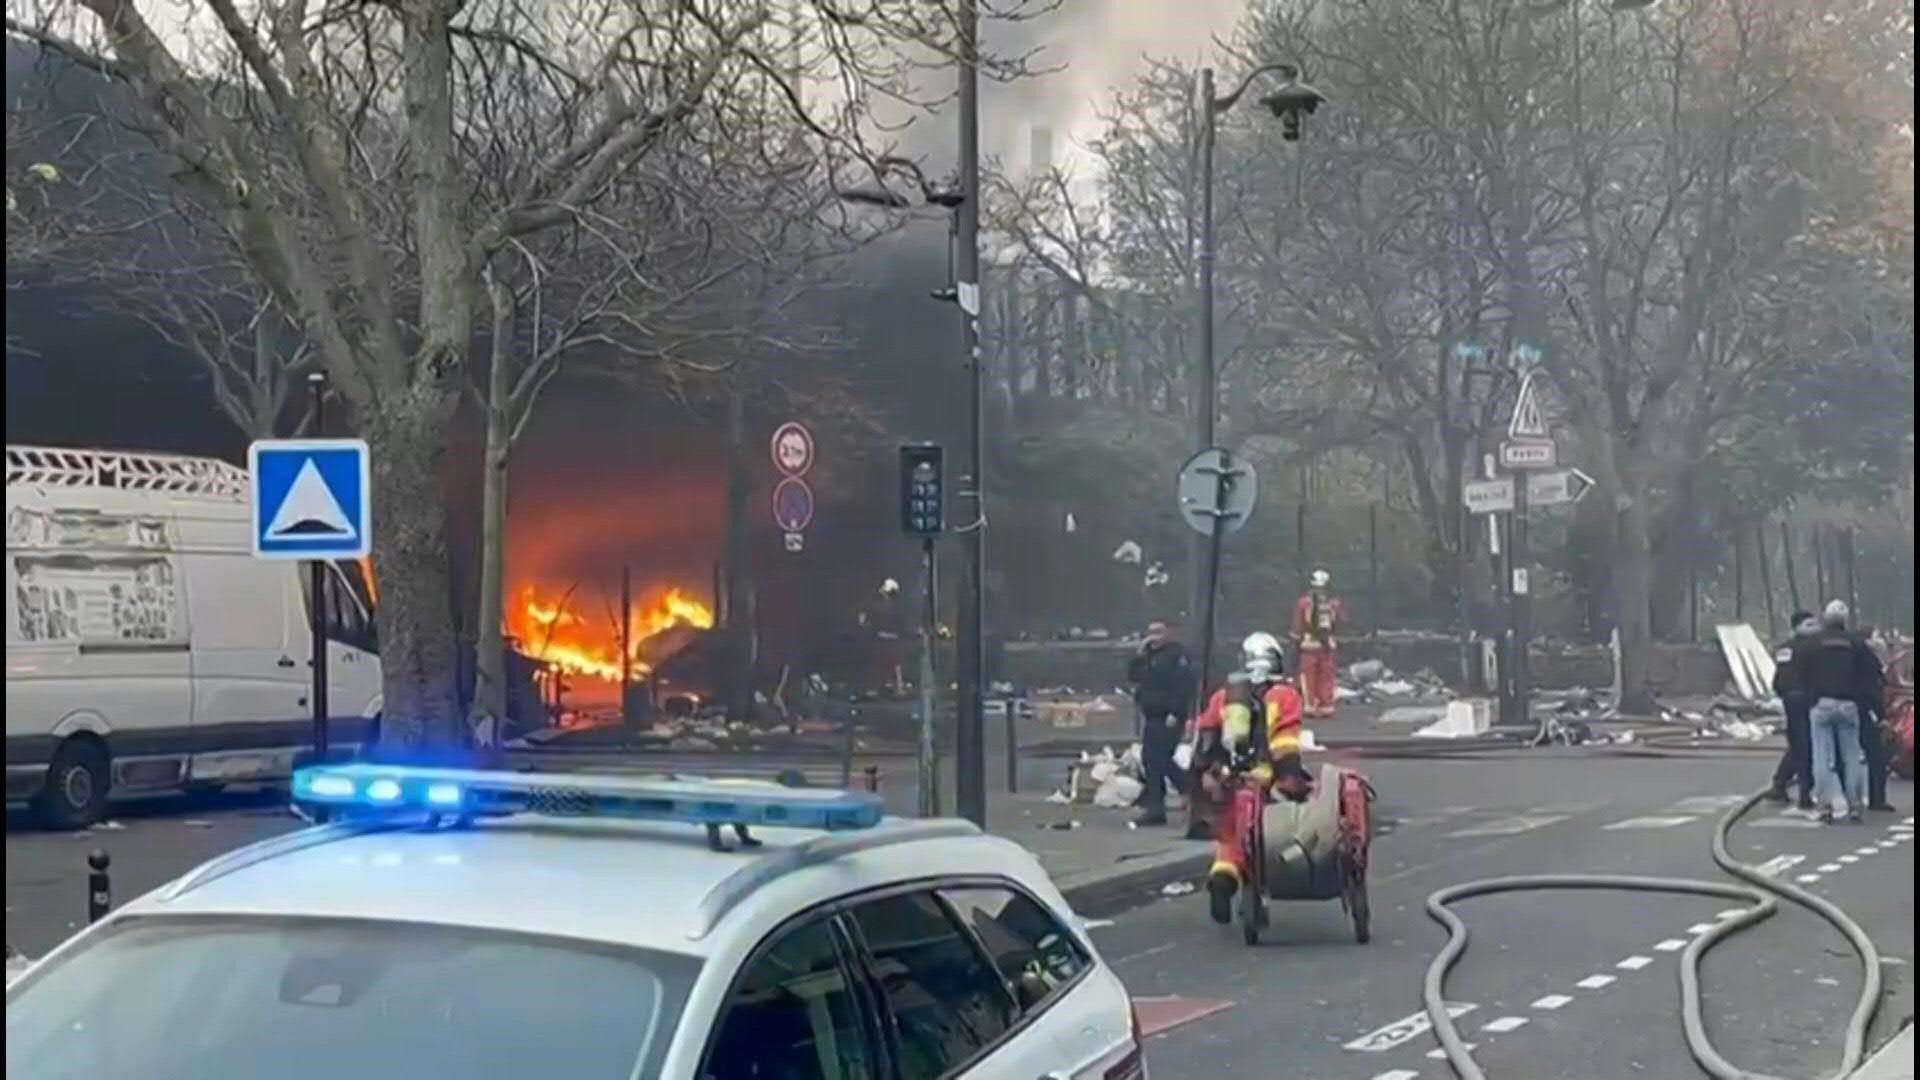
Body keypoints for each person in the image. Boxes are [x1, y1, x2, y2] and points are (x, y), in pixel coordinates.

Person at [1191, 632, 1314, 924]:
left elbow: (1205, 738)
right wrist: (1290, 778)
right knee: (1274, 831)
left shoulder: (1224, 696)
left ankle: (1223, 878)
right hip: (1265, 777)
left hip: (1228, 779)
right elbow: (1285, 742)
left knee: (1231, 835)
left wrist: (1206, 773)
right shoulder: (1285, 696)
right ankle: (1272, 874)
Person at [1793, 601, 1881, 824]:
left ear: (1824, 619)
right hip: (1849, 705)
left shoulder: (1812, 644)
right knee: (1852, 756)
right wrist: (1868, 704)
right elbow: (1870, 674)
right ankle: (1854, 806)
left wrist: (1809, 699)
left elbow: (1799, 674)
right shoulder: (1856, 644)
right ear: (1845, 622)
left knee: (1822, 757)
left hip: (1820, 704)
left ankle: (1825, 806)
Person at [1125, 619, 1196, 826]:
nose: (1153, 637)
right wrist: (1139, 655)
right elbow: (1133, 676)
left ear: (1168, 634)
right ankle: (1158, 805)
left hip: (1169, 716)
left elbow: (1183, 686)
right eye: (1150, 632)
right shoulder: (1148, 656)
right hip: (1152, 713)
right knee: (1150, 759)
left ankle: (1186, 789)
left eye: (1158, 632)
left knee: (1161, 758)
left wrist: (1176, 712)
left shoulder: (1176, 656)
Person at [1765, 611, 1819, 809]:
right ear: (1796, 627)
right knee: (1805, 746)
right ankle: (1805, 792)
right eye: (1809, 624)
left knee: (1797, 744)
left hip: (1791, 699)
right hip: (1805, 699)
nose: (1814, 628)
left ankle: (1780, 784)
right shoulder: (1814, 647)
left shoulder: (1785, 649)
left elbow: (1778, 681)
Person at [1290, 569, 1345, 718]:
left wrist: (1295, 639)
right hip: (1326, 645)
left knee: (1310, 676)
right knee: (1326, 676)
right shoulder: (1334, 604)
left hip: (1310, 644)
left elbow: (1298, 624)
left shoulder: (1304, 603)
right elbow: (1340, 623)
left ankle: (1311, 705)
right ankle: (1325, 705)